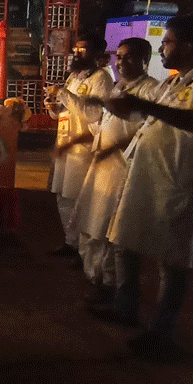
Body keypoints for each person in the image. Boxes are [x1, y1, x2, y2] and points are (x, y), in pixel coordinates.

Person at [102, 15, 193, 359]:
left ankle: (163, 333)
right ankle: (125, 307)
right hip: (147, 176)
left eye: (168, 41)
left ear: (188, 45)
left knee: (172, 258)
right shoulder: (174, 83)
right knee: (125, 238)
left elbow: (191, 120)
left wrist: (141, 104)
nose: (162, 48)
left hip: (177, 181)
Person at [68, 38, 157, 309]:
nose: (121, 62)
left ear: (145, 60)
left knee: (113, 235)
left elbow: (144, 131)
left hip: (125, 171)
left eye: (129, 57)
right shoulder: (120, 87)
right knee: (96, 228)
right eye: (119, 57)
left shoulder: (150, 89)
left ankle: (113, 292)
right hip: (103, 168)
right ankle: (102, 283)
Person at [44, 34, 113, 267]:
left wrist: (64, 94)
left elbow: (93, 114)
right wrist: (54, 107)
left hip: (83, 148)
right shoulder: (74, 76)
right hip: (65, 144)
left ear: (96, 54)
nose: (76, 52)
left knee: (79, 197)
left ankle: (84, 250)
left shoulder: (101, 78)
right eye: (75, 48)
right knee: (63, 196)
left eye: (82, 49)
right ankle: (70, 242)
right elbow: (67, 110)